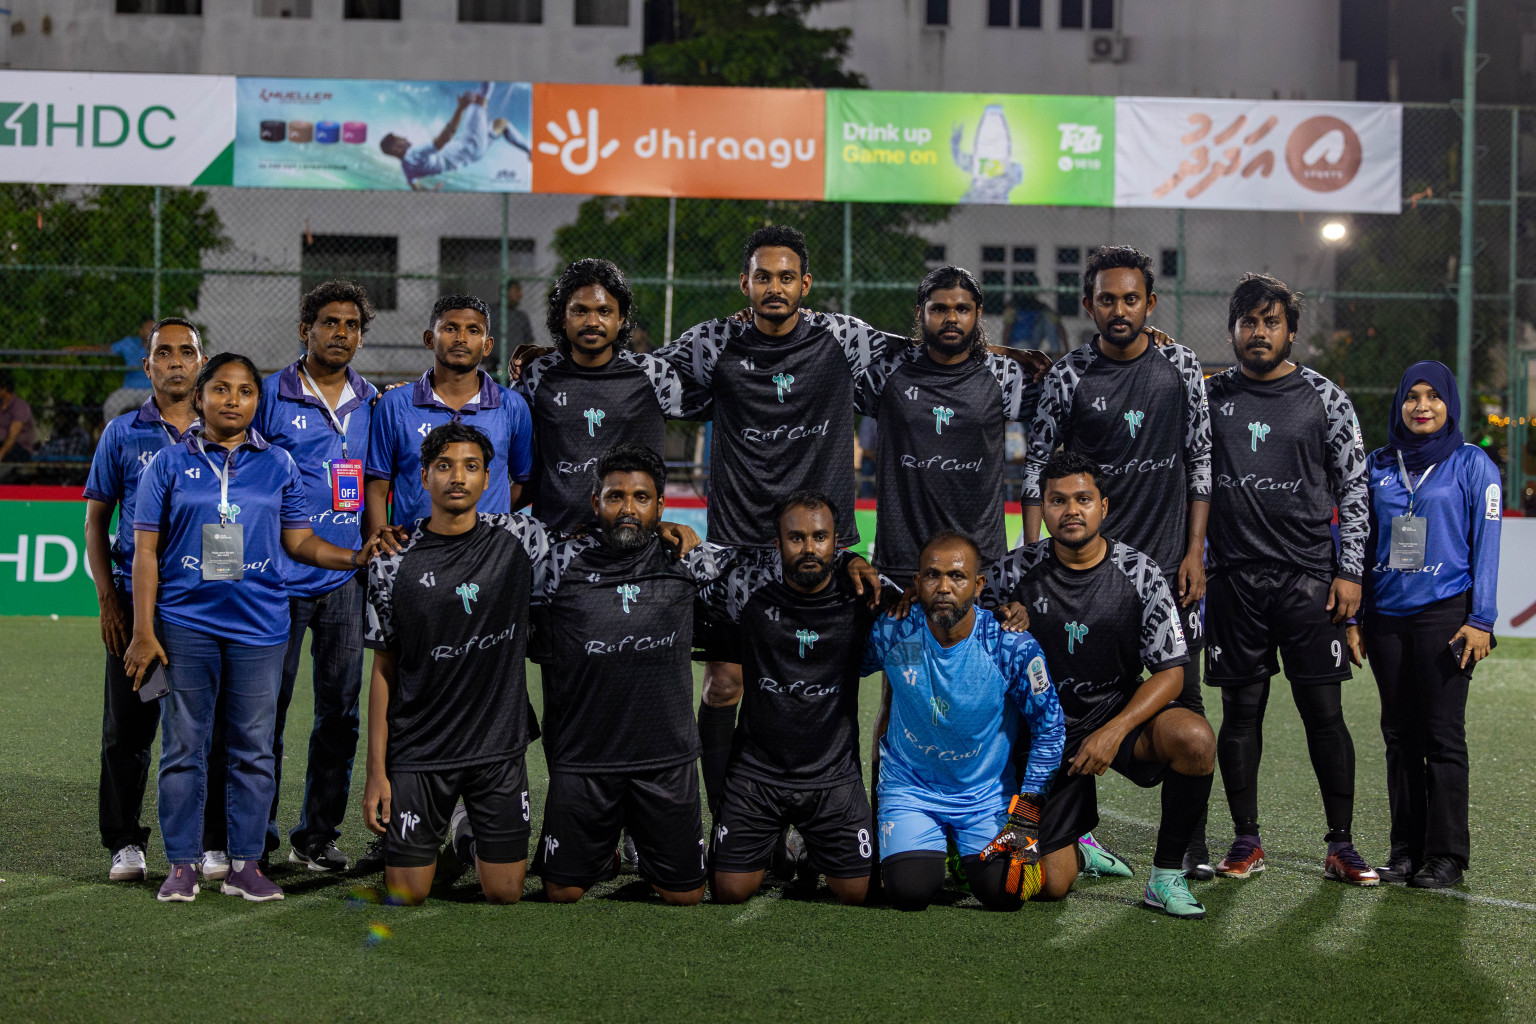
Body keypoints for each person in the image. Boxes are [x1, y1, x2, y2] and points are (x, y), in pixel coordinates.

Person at [122, 352, 389, 903]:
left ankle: (246, 864)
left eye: (245, 391)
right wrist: (143, 631)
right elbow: (145, 553)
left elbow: (298, 542)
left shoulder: (279, 465)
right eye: (221, 389)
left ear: (256, 401)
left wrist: (352, 558)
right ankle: (183, 864)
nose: (233, 400)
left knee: (253, 748)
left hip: (260, 625)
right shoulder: (167, 466)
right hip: (186, 623)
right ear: (200, 397)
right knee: (184, 745)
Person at [1020, 244, 1214, 876]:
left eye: (1131, 298)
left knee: (1186, 704)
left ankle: (1190, 845)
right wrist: (1030, 561)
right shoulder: (1067, 377)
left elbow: (1200, 461)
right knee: (1074, 699)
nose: (1120, 309)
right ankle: (1080, 834)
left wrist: (1193, 552)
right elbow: (1038, 473)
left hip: (1163, 568)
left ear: (1150, 303)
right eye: (1107, 299)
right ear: (1090, 305)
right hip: (1085, 574)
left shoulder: (1181, 364)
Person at [983, 451, 1217, 918]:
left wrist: (1113, 731)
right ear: (1042, 508)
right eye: (1057, 500)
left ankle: (1165, 876)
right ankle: (1078, 848)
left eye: (1083, 499)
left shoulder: (1140, 572)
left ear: (1103, 507)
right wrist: (1000, 620)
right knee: (1051, 885)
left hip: (1113, 713)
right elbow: (961, 629)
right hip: (1042, 734)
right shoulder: (1012, 572)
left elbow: (1172, 674)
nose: (1071, 510)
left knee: (1194, 739)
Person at [1203, 274, 1378, 886]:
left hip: (1308, 581)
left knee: (1323, 714)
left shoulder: (1326, 397)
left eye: (1271, 322)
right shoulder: (1208, 395)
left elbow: (1355, 486)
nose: (1259, 333)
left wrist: (1349, 571)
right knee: (1240, 713)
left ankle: (1342, 844)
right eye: (1248, 322)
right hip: (1233, 581)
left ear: (1291, 332)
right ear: (1232, 330)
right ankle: (1246, 840)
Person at [530, 443, 754, 906]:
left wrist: (849, 560)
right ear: (596, 504)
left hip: (665, 760)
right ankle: (604, 853)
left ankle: (651, 857)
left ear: (660, 506)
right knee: (561, 892)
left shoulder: (687, 560)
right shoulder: (558, 564)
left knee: (687, 897)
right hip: (586, 758)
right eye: (615, 497)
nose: (628, 508)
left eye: (641, 498)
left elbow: (757, 566)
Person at [360, 423, 559, 905]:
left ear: (488, 478)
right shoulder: (391, 558)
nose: (457, 477)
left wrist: (661, 527)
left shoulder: (523, 539)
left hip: (497, 745)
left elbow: (596, 545)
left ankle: (466, 835)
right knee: (405, 895)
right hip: (421, 747)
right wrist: (376, 772)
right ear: (423, 475)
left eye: (471, 467)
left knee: (506, 892)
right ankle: (453, 829)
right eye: (444, 466)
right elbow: (384, 669)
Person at [84, 318, 228, 882]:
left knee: (208, 730)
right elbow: (96, 521)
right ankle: (124, 842)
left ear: (201, 361)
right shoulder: (122, 433)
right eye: (162, 353)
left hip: (205, 603)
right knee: (129, 728)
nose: (174, 360)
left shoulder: (226, 427)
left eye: (185, 351)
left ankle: (212, 841)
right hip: (134, 603)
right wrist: (108, 601)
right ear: (147, 367)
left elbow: (230, 515)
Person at [1350, 360, 1501, 890]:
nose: (1421, 406)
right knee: (1398, 736)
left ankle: (1447, 856)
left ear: (1449, 404)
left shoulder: (1473, 465)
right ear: (1399, 405)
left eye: (1433, 396)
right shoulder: (1377, 466)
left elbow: (1487, 547)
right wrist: (1355, 617)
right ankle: (1405, 851)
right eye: (1412, 396)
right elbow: (1359, 544)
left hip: (1446, 617)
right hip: (1386, 618)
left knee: (1441, 736)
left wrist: (1481, 618)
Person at [862, 531, 1066, 912]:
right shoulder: (893, 632)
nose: (943, 587)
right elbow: (842, 665)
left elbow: (1050, 728)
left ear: (978, 584)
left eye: (956, 577)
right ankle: (937, 843)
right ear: (917, 583)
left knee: (1007, 895)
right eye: (932, 576)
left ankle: (1077, 850)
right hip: (912, 789)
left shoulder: (1009, 645)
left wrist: (1025, 816)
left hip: (984, 796)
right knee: (909, 893)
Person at [699, 491, 881, 906]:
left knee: (857, 892)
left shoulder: (864, 595)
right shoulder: (746, 595)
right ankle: (772, 842)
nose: (809, 548)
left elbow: (922, 600)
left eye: (820, 537)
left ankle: (815, 848)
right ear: (778, 543)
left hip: (832, 775)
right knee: (730, 890)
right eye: (796, 538)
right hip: (758, 775)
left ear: (838, 543)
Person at [254, 280, 380, 872]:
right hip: (275, 582)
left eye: (352, 324)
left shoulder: (373, 401)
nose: (340, 334)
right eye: (329, 322)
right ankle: (254, 835)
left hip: (343, 582)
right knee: (264, 712)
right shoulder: (269, 396)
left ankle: (317, 836)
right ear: (305, 328)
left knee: (340, 711)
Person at [855, 265, 1035, 582]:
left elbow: (1070, 408)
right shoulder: (884, 372)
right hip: (902, 566)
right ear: (920, 312)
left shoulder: (1006, 376)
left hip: (982, 568)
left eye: (962, 309)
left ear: (978, 313)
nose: (951, 318)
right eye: (939, 308)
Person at [513, 259, 686, 531]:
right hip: (554, 538)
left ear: (621, 318)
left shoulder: (654, 375)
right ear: (563, 317)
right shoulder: (536, 375)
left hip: (628, 542)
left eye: (604, 311)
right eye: (580, 311)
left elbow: (729, 405)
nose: (592, 322)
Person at [364, 293, 533, 534]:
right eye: (450, 328)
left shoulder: (513, 406)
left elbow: (524, 480)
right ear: (429, 339)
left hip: (486, 553)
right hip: (414, 548)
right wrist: (381, 541)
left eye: (473, 330)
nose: (461, 338)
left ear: (487, 346)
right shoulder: (395, 404)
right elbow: (377, 485)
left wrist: (491, 518)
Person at [379, 85, 529, 190]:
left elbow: (414, 186)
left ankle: (531, 152)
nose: (405, 138)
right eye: (401, 139)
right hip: (467, 146)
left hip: (473, 155)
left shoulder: (406, 168)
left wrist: (430, 191)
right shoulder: (414, 153)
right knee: (479, 100)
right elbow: (445, 138)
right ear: (396, 148)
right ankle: (489, 65)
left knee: (502, 124)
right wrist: (460, 108)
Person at [0, 370, 38, 463]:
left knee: (11, 449)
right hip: (1, 443)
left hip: (18, 447)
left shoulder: (20, 406)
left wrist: (0, 454)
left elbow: (13, 436)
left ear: (4, 389)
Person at [503, 279, 535, 354]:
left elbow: (529, 342)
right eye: (517, 291)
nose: (520, 295)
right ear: (506, 292)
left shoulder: (521, 316)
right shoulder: (491, 313)